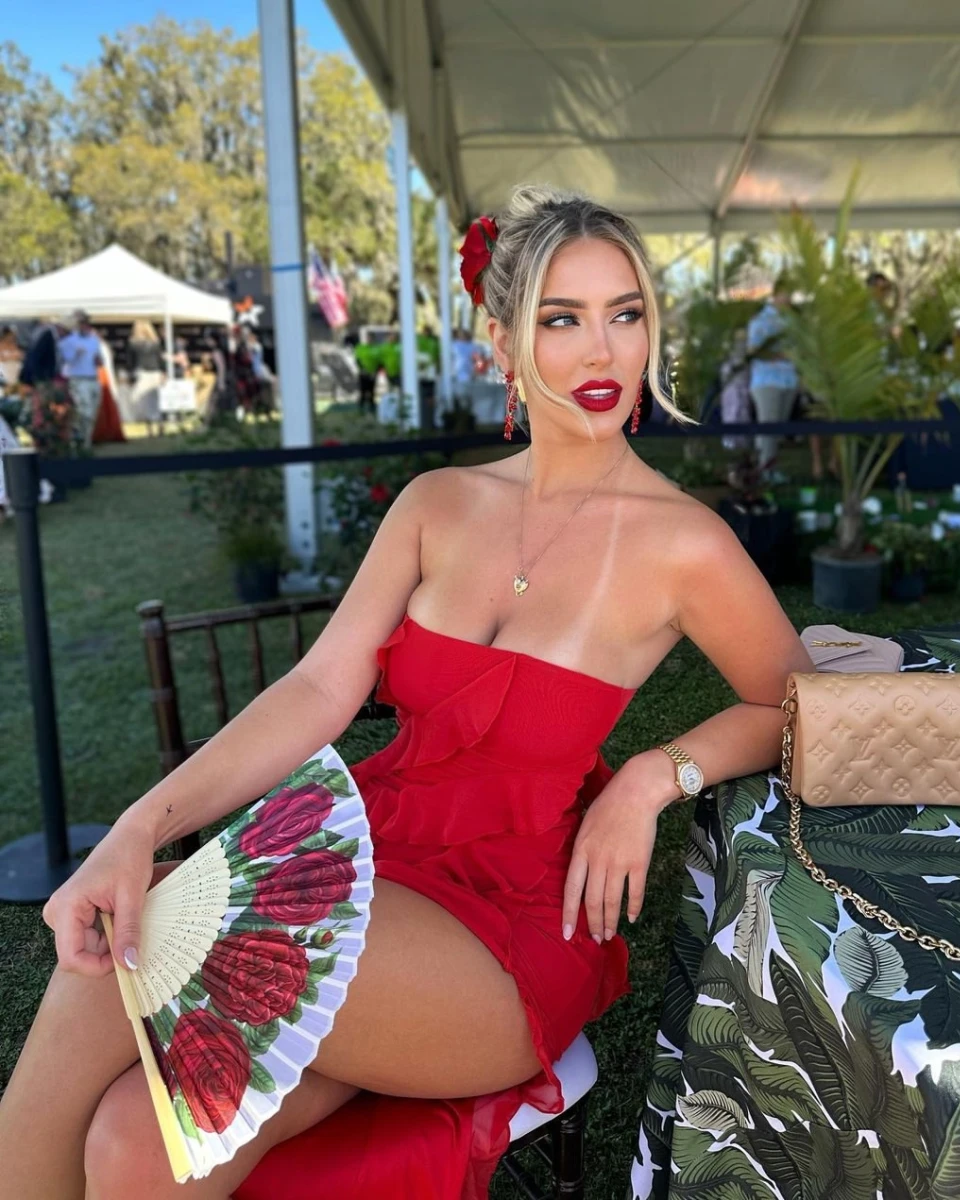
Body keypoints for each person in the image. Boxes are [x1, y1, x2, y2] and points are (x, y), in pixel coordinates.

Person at [0, 186, 812, 1200]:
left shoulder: (684, 542)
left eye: (626, 313)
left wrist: (655, 775)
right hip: (367, 855)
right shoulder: (439, 504)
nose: (602, 351)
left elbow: (796, 704)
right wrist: (136, 828)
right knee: (134, 1139)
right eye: (561, 319)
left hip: (507, 931)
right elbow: (320, 686)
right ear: (503, 344)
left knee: (145, 938)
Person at [746, 277, 798, 478]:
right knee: (767, 428)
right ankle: (763, 472)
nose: (789, 299)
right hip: (767, 382)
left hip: (789, 380)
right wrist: (783, 355)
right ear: (776, 295)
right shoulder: (761, 321)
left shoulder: (793, 320)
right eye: (786, 294)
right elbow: (753, 351)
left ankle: (770, 468)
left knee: (778, 430)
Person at [57, 310, 103, 448]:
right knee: (84, 412)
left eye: (86, 322)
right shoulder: (68, 341)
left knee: (93, 412)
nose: (84, 325)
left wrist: (98, 360)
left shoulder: (94, 340)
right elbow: (65, 361)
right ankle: (79, 440)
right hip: (78, 379)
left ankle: (86, 440)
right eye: (81, 322)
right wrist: (75, 354)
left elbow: (99, 360)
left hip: (93, 378)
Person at [125, 320, 166, 437]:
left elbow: (130, 361)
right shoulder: (156, 342)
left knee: (144, 401)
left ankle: (150, 429)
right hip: (155, 372)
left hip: (142, 372)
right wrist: (163, 372)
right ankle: (160, 425)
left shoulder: (133, 343)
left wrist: (130, 376)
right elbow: (160, 359)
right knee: (155, 400)